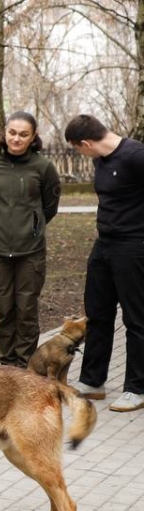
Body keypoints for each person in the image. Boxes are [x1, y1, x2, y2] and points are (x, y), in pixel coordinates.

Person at [64, 114, 144, 412]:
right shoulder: (100, 159)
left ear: (86, 143)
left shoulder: (136, 156)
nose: (80, 154)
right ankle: (92, 381)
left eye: (77, 149)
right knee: (97, 313)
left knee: (136, 318)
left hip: (133, 246)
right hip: (104, 245)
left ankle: (137, 388)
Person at [0, 111, 62, 368]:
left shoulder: (43, 167)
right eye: (12, 132)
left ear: (33, 137)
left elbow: (50, 206)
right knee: (5, 311)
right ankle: (6, 365)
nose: (16, 138)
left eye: (23, 134)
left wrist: (33, 227)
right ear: (5, 132)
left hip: (31, 252)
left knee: (26, 311)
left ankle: (26, 365)